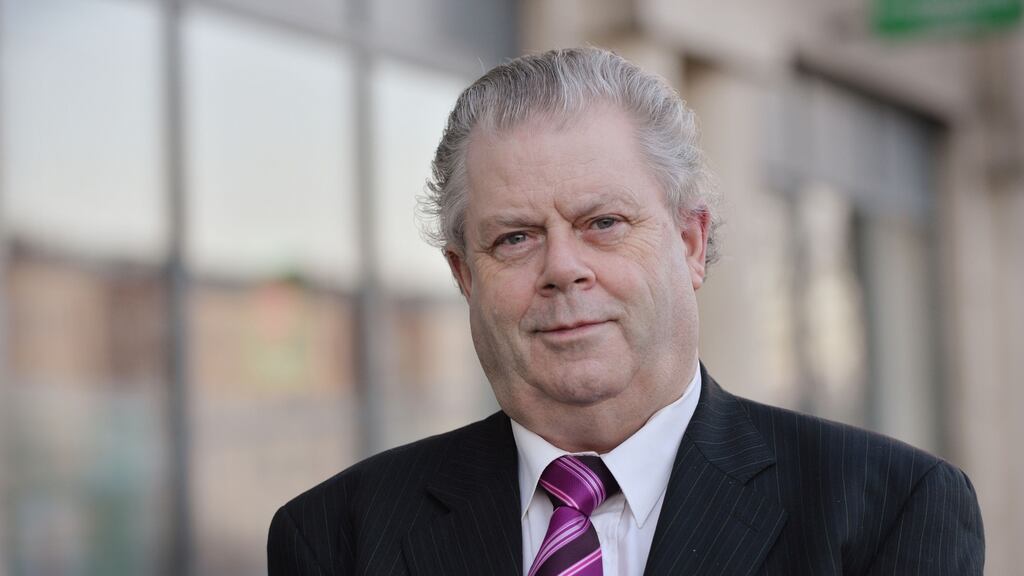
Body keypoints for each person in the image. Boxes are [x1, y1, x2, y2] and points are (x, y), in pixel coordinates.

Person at [267, 47, 984, 575]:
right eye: (514, 238)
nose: (563, 268)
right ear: (464, 276)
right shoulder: (336, 537)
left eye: (603, 223)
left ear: (691, 243)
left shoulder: (887, 510)